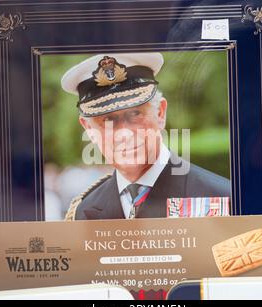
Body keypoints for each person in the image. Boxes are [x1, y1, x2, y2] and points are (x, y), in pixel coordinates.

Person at [61, 52, 230, 220]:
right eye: (107, 120)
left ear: (160, 113)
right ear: (89, 129)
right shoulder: (83, 212)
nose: (124, 134)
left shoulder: (221, 199)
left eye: (135, 113)